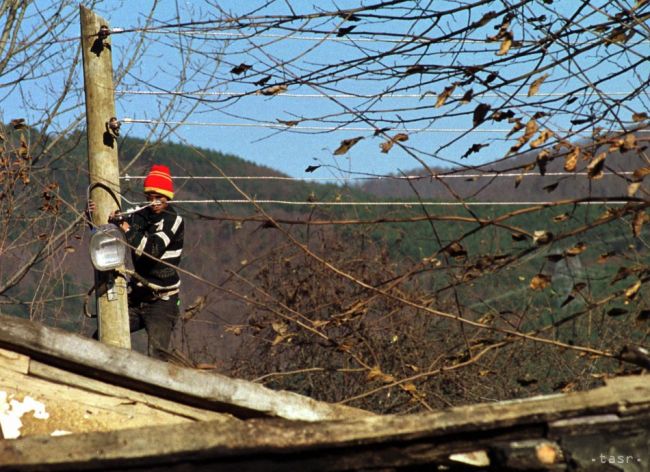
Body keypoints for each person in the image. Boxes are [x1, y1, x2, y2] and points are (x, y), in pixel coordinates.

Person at [108, 164, 184, 359]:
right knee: (103, 334)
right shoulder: (138, 215)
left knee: (157, 355)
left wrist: (125, 227)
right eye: (150, 198)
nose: (155, 202)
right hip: (137, 295)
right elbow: (106, 228)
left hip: (162, 300)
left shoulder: (173, 220)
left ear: (168, 197)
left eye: (159, 198)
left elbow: (152, 250)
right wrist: (95, 212)